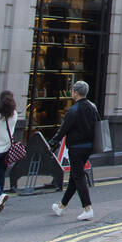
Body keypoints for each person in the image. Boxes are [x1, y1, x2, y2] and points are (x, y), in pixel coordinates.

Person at [48, 80, 98, 220]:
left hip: (76, 148)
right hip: (88, 147)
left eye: (72, 90)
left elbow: (63, 130)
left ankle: (88, 209)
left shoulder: (73, 110)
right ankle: (61, 207)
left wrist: (52, 143)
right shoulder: (92, 107)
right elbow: (98, 125)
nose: (71, 92)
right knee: (75, 178)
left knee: (79, 177)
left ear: (76, 93)